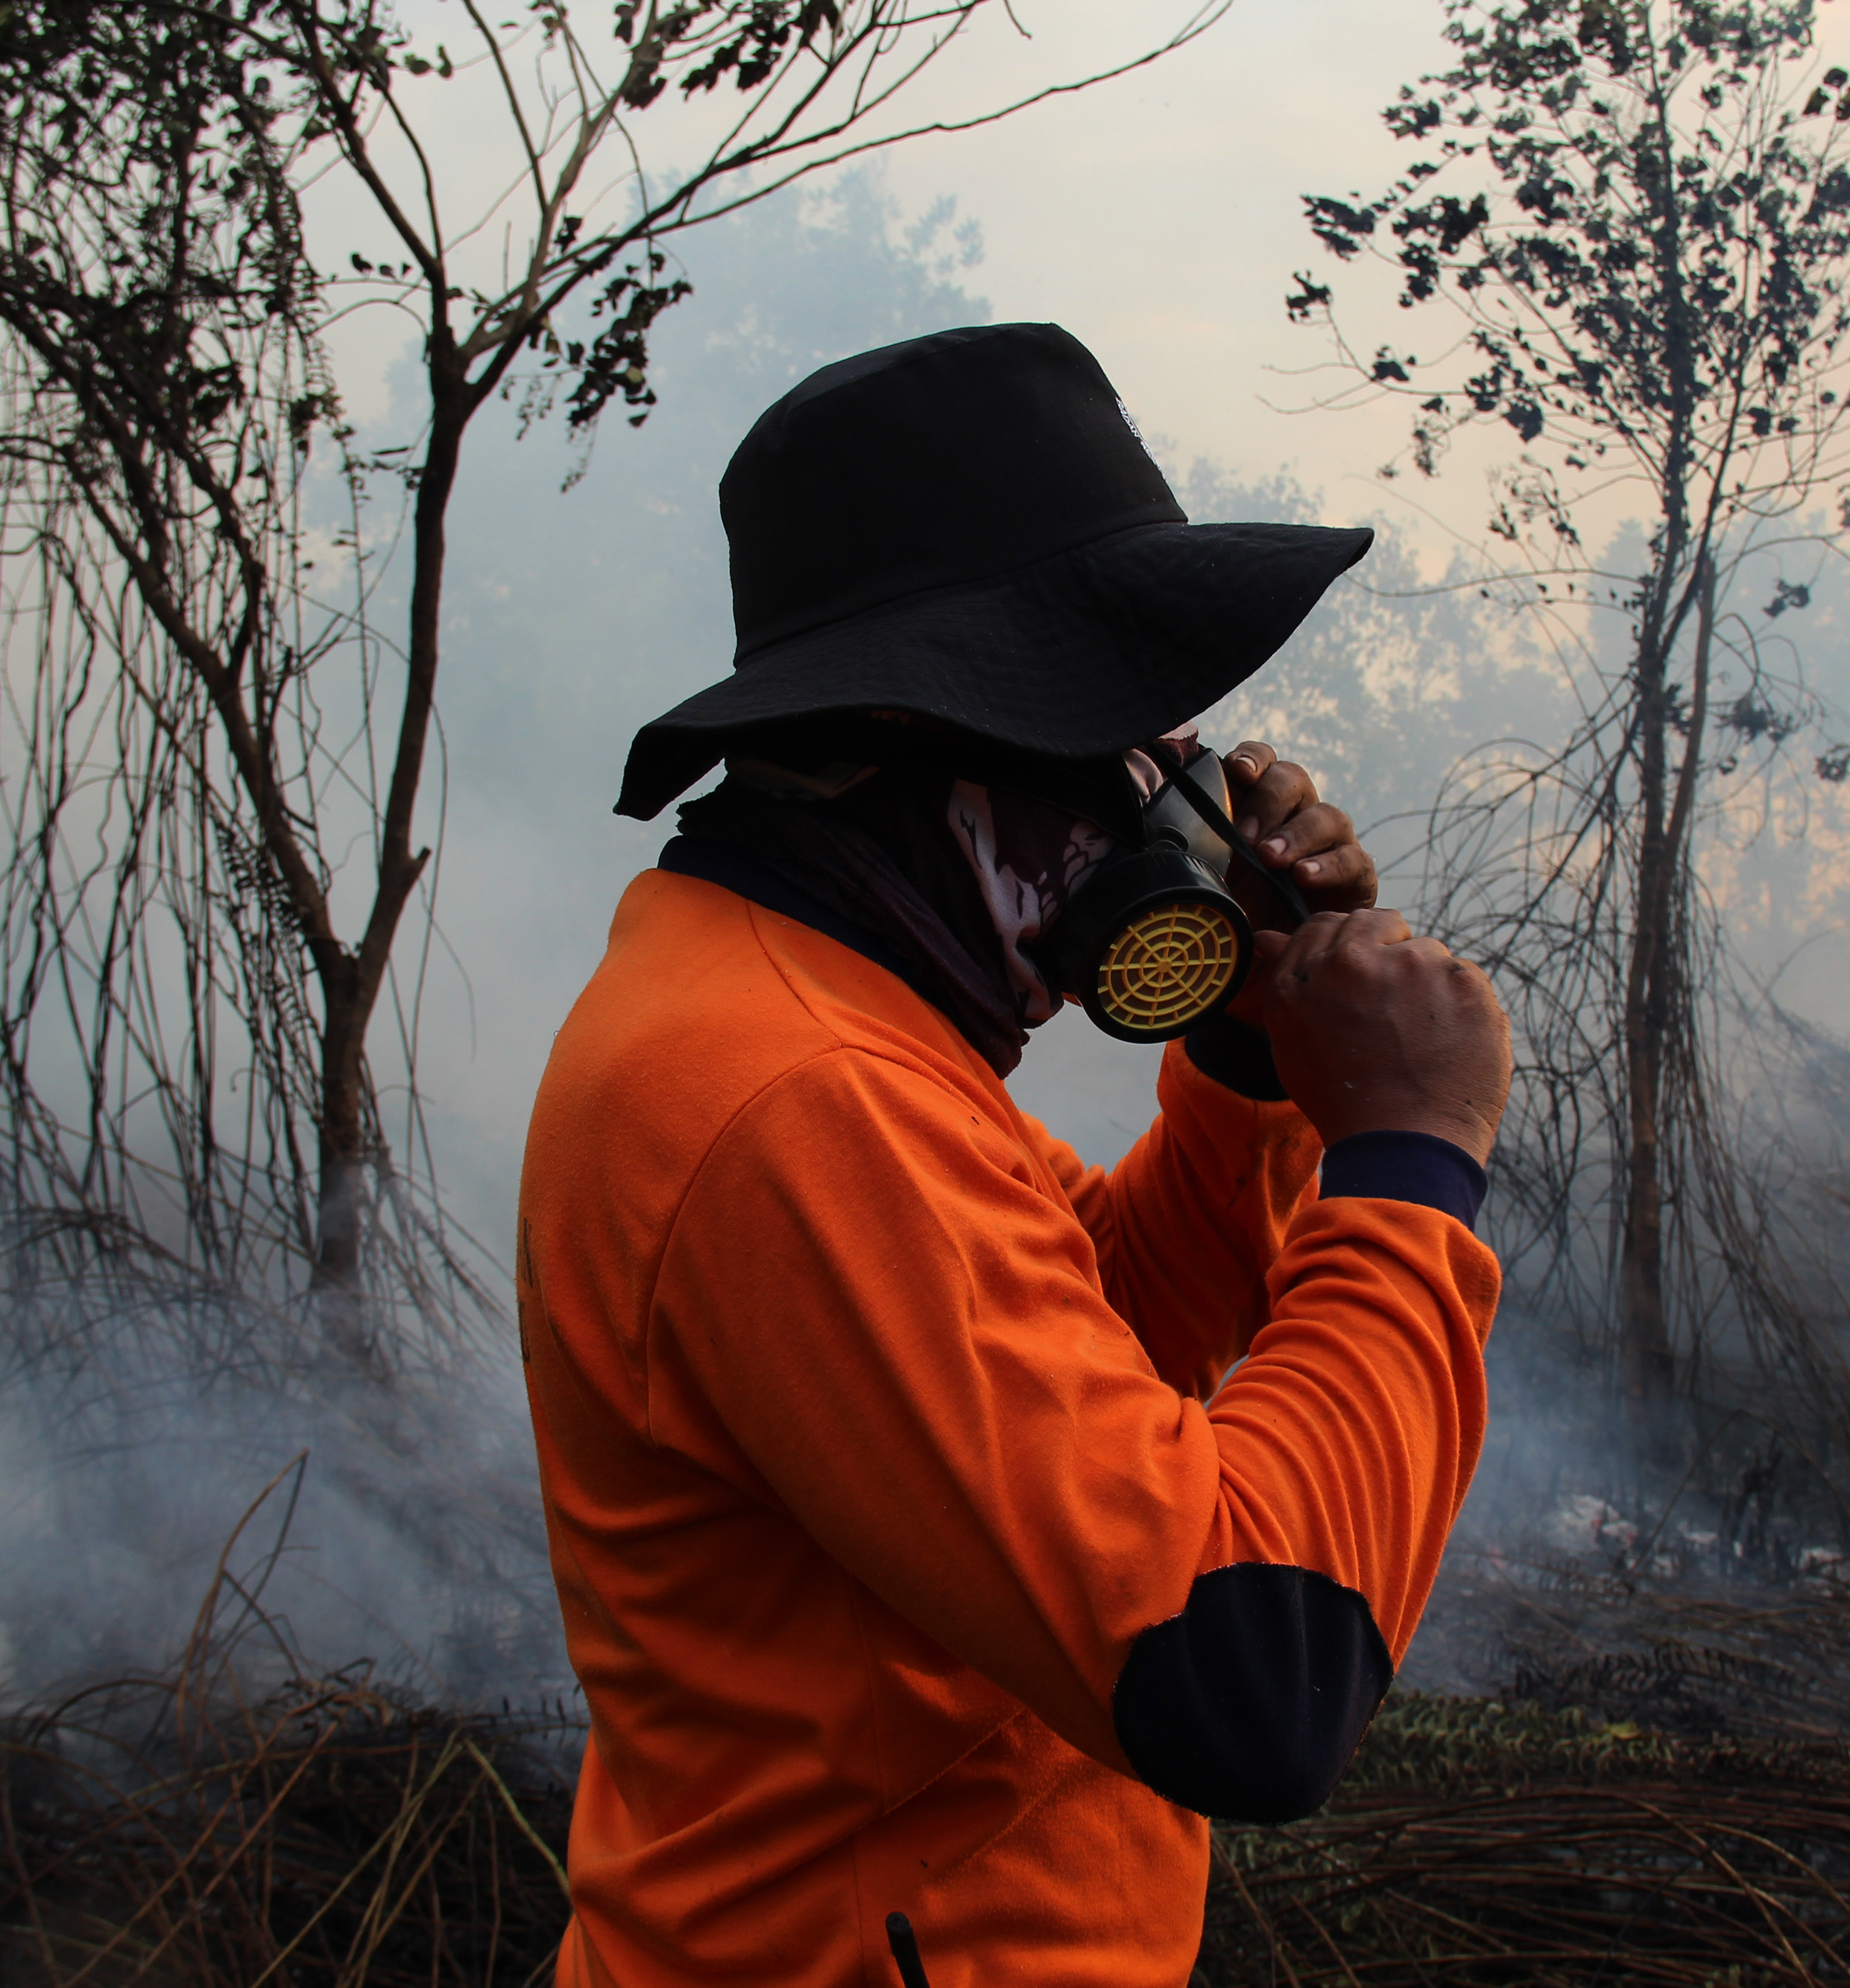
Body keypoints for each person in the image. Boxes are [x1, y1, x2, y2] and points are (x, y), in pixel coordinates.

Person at [516, 323, 1512, 1988]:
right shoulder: (798, 1093)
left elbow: (1097, 1347)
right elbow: (1247, 1676)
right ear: (916, 730)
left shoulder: (821, 1014)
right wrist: (1406, 1168)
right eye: (1121, 732)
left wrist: (1251, 1047)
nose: (1168, 790)